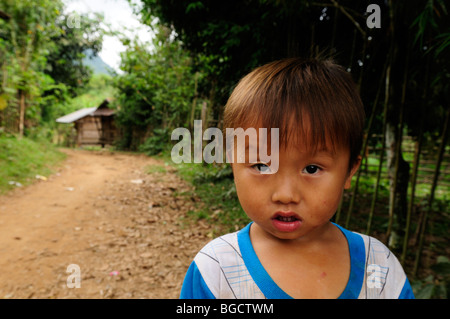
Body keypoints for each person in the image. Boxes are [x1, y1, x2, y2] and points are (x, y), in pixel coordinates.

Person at [179, 57, 415, 299]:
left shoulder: (379, 269)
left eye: (312, 169)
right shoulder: (216, 271)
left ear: (349, 170)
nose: (285, 195)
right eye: (261, 165)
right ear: (232, 161)